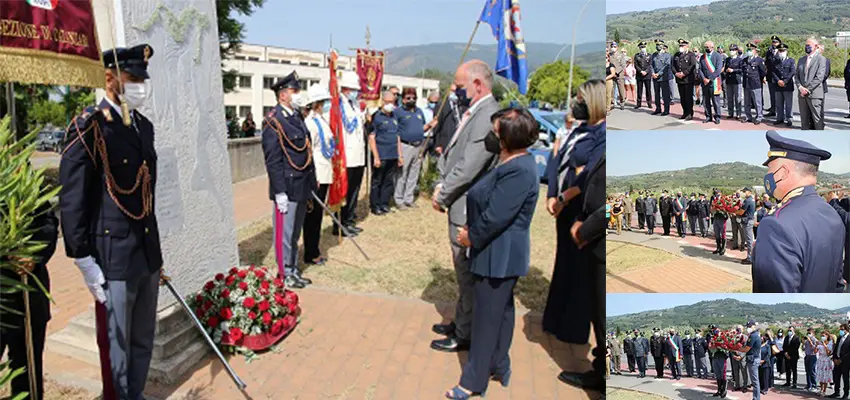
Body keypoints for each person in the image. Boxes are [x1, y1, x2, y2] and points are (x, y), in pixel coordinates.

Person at [59, 44, 164, 400]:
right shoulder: (88, 126)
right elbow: (73, 198)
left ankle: (135, 394)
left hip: (146, 251)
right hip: (114, 253)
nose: (140, 86)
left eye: (142, 79)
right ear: (109, 78)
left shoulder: (142, 127)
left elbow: (146, 196)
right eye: (132, 78)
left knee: (142, 337)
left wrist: (157, 257)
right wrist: (83, 259)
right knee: (116, 344)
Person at [444, 108, 540, 399]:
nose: (490, 136)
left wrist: (469, 236)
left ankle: (472, 382)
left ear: (507, 137)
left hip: (497, 255)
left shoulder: (520, 171)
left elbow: (497, 216)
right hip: (496, 253)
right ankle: (500, 363)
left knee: (485, 320)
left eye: (495, 131)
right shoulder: (511, 163)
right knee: (501, 313)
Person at [431, 60, 500, 353]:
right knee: (462, 271)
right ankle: (462, 320)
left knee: (466, 272)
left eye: (459, 86)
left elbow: (470, 165)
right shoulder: (478, 110)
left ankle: (465, 333)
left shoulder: (487, 114)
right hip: (461, 201)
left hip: (467, 206)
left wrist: (442, 194)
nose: (455, 91)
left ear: (477, 84)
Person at [543, 79, 606, 358]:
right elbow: (558, 159)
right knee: (563, 263)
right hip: (563, 205)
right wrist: (552, 195)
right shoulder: (580, 129)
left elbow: (585, 175)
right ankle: (554, 320)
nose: (575, 104)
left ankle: (572, 329)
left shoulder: (603, 134)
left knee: (579, 272)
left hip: (579, 208)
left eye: (581, 99)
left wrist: (564, 197)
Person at [752, 130, 845, 292]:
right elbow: (837, 283)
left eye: (770, 169)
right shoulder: (833, 214)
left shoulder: (776, 224)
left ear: (783, 172)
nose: (768, 175)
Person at [0, 192, 58, 400]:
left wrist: (33, 254)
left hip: (28, 289)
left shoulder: (27, 178)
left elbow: (48, 221)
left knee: (27, 363)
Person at [262, 71, 316, 290]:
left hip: (302, 183)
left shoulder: (296, 117)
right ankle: (285, 272)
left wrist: (312, 183)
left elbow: (305, 151)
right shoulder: (273, 121)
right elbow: (273, 161)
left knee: (294, 233)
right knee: (285, 234)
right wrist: (279, 192)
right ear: (283, 95)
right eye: (295, 91)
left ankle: (293, 269)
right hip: (287, 186)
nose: (298, 95)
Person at [302, 84, 334, 266]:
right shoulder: (310, 123)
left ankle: (315, 248)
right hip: (317, 176)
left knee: (318, 216)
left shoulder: (321, 120)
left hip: (325, 172)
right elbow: (309, 152)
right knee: (312, 216)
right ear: (317, 103)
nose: (327, 104)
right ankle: (310, 252)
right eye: (325, 102)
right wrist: (313, 177)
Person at [335, 72, 367, 236]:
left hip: (358, 156)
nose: (356, 92)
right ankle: (339, 223)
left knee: (354, 190)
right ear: (346, 89)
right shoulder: (338, 104)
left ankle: (349, 219)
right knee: (344, 192)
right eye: (354, 89)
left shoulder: (354, 104)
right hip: (346, 157)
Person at [368, 91, 403, 216]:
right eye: (388, 102)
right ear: (382, 102)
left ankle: (384, 203)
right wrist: (376, 157)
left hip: (392, 154)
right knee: (377, 181)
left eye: (392, 102)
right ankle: (375, 205)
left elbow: (397, 136)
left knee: (388, 181)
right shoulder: (376, 116)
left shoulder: (394, 116)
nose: (390, 105)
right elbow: (372, 138)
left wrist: (400, 155)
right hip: (381, 154)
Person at [393, 87, 428, 210]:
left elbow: (421, 128)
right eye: (408, 98)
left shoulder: (419, 111)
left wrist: (429, 125)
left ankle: (409, 198)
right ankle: (399, 199)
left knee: (414, 174)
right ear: (403, 99)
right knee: (402, 174)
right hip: (405, 146)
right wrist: (400, 153)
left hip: (418, 146)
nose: (411, 100)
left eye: (414, 98)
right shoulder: (398, 112)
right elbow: (396, 133)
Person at [795, 38, 827, 130]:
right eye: (806, 45)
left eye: (809, 45)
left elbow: (819, 77)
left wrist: (807, 89)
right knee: (804, 120)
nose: (807, 47)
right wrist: (800, 87)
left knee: (817, 120)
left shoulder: (821, 59)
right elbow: (796, 76)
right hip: (802, 94)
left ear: (816, 46)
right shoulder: (801, 60)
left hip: (814, 94)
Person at [432, 84, 466, 156]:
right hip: (445, 142)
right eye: (453, 91)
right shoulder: (441, 105)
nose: (455, 94)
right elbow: (436, 126)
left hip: (459, 141)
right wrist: (438, 144)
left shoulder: (461, 105)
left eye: (456, 91)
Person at [698, 40, 724, 124]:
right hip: (704, 82)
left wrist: (709, 79)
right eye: (705, 47)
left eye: (707, 47)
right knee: (706, 101)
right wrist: (704, 79)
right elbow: (700, 69)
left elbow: (718, 69)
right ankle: (708, 116)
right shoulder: (703, 57)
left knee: (715, 101)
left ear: (712, 47)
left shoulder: (718, 56)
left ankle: (717, 117)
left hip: (714, 82)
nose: (706, 48)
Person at [672, 39, 697, 121]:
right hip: (679, 79)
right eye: (680, 46)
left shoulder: (691, 54)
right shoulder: (676, 55)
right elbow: (672, 65)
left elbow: (692, 65)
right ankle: (685, 112)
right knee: (682, 98)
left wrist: (684, 73)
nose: (681, 47)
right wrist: (676, 73)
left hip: (688, 79)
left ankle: (690, 113)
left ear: (687, 46)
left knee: (688, 97)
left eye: (682, 46)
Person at [772, 43, 796, 127]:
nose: (781, 52)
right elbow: (773, 72)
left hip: (787, 85)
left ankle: (789, 118)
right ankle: (779, 118)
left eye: (783, 51)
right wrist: (778, 81)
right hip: (778, 85)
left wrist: (785, 81)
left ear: (786, 51)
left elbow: (792, 72)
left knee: (788, 104)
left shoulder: (791, 60)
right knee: (779, 103)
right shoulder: (775, 61)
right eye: (780, 51)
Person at [743, 44, 766, 124]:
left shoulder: (759, 60)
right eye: (748, 49)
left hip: (755, 83)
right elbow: (743, 70)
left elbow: (763, 72)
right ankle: (748, 116)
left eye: (751, 49)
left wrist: (760, 79)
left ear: (755, 50)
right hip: (746, 83)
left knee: (757, 102)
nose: (749, 51)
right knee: (747, 102)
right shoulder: (745, 60)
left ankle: (759, 117)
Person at [650, 39, 672, 116]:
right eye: (657, 45)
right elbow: (651, 65)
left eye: (659, 45)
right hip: (655, 78)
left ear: (663, 46)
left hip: (663, 78)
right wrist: (653, 73)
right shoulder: (654, 55)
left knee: (665, 95)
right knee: (656, 94)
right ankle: (658, 108)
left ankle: (666, 110)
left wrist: (658, 74)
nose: (658, 46)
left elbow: (666, 66)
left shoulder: (667, 55)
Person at [741, 321, 761, 399]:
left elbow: (747, 348)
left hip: (753, 360)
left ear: (754, 326)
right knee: (755, 381)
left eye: (749, 326)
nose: (748, 328)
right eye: (747, 326)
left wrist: (737, 349)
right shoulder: (754, 335)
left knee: (755, 382)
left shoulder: (753, 336)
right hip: (753, 359)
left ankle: (756, 398)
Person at [736, 187, 756, 265]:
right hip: (748, 221)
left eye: (745, 191)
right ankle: (749, 257)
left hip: (747, 221)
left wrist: (734, 211)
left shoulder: (748, 200)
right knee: (749, 240)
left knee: (749, 240)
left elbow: (741, 212)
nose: (744, 193)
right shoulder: (751, 199)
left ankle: (750, 258)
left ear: (749, 192)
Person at [724, 44, 745, 120]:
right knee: (729, 98)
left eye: (733, 50)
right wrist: (726, 70)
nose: (731, 51)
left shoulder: (740, 60)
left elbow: (741, 70)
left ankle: (738, 114)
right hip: (729, 80)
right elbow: (726, 68)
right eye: (730, 50)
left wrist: (733, 70)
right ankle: (730, 113)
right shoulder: (727, 59)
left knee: (737, 98)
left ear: (736, 51)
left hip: (737, 80)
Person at [709, 325, 729, 398]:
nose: (714, 331)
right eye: (713, 330)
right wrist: (711, 345)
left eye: (715, 329)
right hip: (715, 357)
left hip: (722, 358)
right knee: (717, 374)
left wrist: (721, 345)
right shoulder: (712, 337)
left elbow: (727, 347)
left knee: (723, 374)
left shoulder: (723, 337)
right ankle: (719, 390)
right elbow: (710, 347)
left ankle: (724, 390)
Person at [831, 324, 850, 398]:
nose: (840, 331)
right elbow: (836, 349)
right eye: (840, 329)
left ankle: (845, 394)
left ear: (847, 330)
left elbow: (849, 352)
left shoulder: (849, 338)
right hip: (837, 361)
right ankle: (836, 392)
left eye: (842, 329)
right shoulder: (839, 338)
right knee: (836, 377)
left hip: (845, 362)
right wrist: (834, 358)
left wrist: (841, 360)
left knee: (845, 378)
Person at [764, 36, 782, 117]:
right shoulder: (769, 52)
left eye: (776, 42)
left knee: (779, 95)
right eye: (773, 42)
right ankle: (773, 109)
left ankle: (780, 111)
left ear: (779, 43)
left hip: (779, 77)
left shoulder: (782, 51)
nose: (774, 43)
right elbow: (767, 64)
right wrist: (764, 75)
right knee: (772, 94)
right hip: (770, 76)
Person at [634, 41, 653, 108]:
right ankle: (638, 103)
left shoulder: (649, 55)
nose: (643, 48)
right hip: (639, 75)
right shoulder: (636, 56)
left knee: (648, 90)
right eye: (641, 47)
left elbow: (650, 65)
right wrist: (641, 71)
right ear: (639, 48)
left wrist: (646, 71)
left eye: (644, 47)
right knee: (639, 90)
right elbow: (636, 65)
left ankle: (649, 103)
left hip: (647, 75)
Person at [610, 42, 628, 110]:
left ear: (617, 47)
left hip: (619, 75)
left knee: (621, 90)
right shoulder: (609, 55)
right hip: (611, 75)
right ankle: (612, 103)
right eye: (612, 46)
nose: (613, 48)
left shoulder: (621, 55)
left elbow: (623, 65)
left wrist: (616, 72)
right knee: (611, 90)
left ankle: (622, 102)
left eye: (614, 46)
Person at [817, 330, 835, 396]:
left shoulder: (830, 343)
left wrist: (825, 345)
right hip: (820, 360)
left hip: (826, 361)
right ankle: (821, 389)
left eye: (823, 336)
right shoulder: (820, 342)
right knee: (820, 376)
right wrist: (817, 345)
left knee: (825, 376)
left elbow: (828, 353)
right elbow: (816, 351)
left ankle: (824, 391)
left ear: (827, 336)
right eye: (821, 336)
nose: (822, 337)